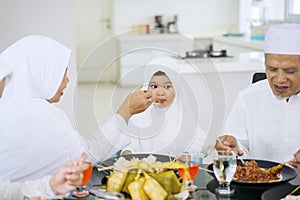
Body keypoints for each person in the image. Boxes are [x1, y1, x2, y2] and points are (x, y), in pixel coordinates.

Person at [0, 35, 133, 183]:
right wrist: (125, 111)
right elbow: (88, 156)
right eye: (62, 72)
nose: (67, 80)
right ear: (43, 72)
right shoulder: (42, 116)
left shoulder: (8, 106)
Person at [215, 23, 300, 163]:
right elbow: (240, 149)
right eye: (272, 69)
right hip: (261, 184)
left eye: (289, 71)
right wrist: (234, 147)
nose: (279, 79)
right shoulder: (248, 97)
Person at [118, 56, 206, 156]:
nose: (160, 93)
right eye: (154, 86)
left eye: (167, 87)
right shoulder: (139, 114)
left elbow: (199, 141)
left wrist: (189, 153)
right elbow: (128, 144)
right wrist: (128, 152)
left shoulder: (183, 113)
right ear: (147, 87)